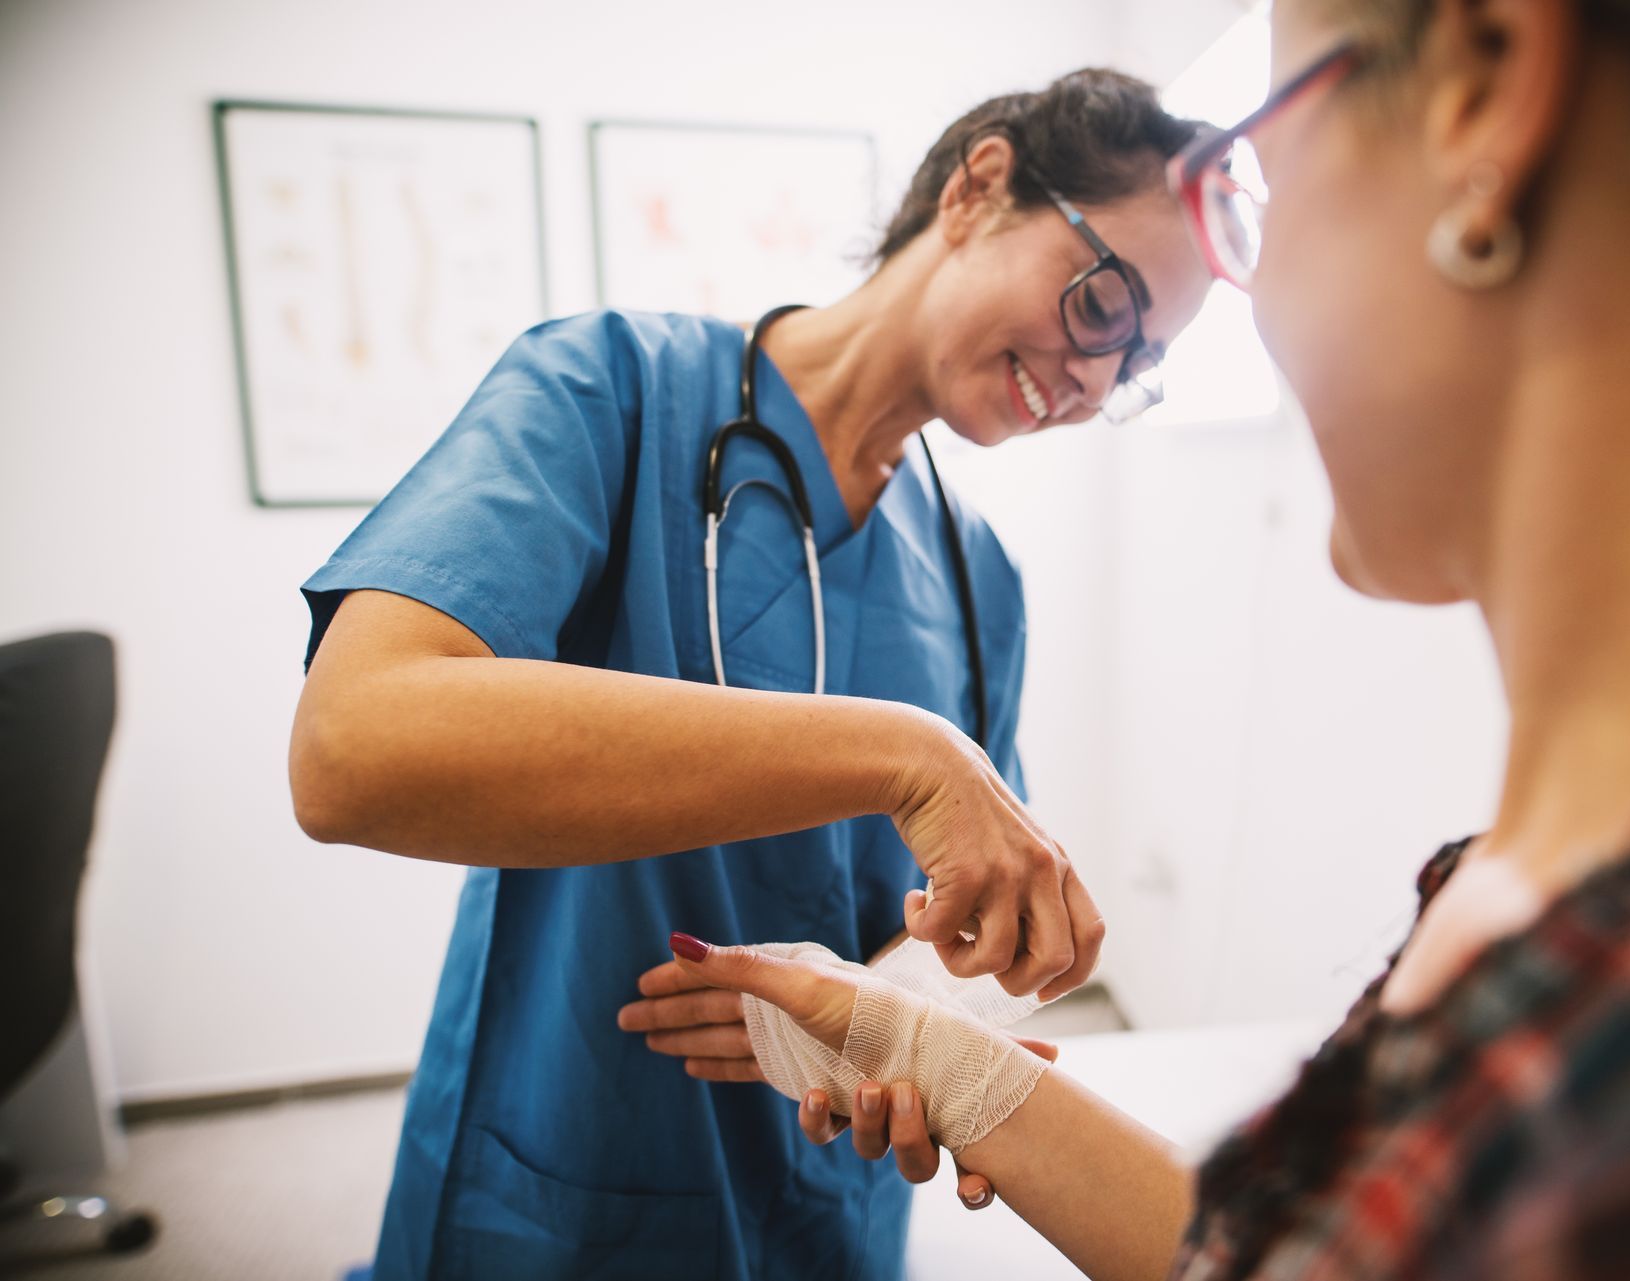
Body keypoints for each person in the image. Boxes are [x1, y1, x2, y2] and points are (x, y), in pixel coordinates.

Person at [640, 1, 1630, 1277]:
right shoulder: (1620, 918)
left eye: (1260, 181)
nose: (1102, 383)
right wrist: (934, 1055)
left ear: (1484, 86)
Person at [288, 71, 1214, 1281]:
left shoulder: (979, 575)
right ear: (980, 189)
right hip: (568, 1172)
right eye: (1107, 307)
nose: (1094, 384)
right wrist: (905, 752)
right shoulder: (608, 391)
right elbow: (352, 750)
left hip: (831, 1194)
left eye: (1136, 366)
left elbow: (950, 935)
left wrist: (897, 1030)